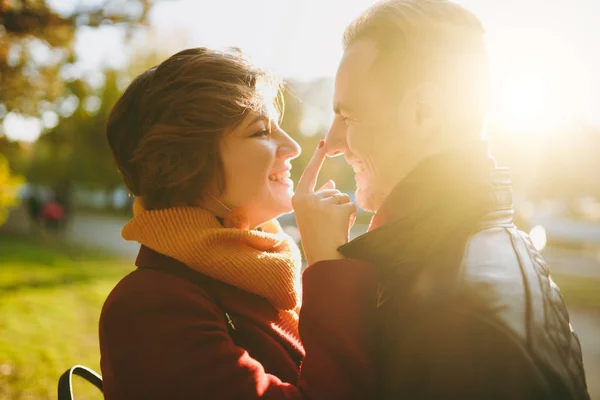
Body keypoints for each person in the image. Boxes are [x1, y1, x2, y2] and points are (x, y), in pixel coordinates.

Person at [292, 1, 590, 399]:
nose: (330, 142)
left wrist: (329, 275)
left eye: (349, 116)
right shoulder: (482, 244)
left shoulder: (459, 322)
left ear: (424, 111)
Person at [99, 48, 377, 399]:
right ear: (186, 165)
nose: (291, 146)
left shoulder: (260, 277)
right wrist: (327, 267)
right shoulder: (148, 308)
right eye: (261, 131)